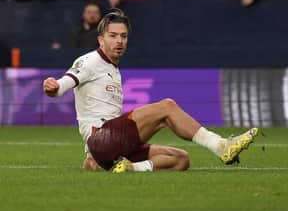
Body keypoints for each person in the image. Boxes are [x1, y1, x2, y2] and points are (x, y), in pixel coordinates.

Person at [43, 9, 259, 172]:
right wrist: (54, 86)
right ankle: (221, 146)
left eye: (124, 36)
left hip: (110, 149)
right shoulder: (90, 61)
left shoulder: (112, 69)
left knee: (181, 159)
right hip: (102, 139)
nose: (119, 41)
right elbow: (64, 84)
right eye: (113, 35)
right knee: (167, 107)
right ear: (101, 39)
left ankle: (128, 168)